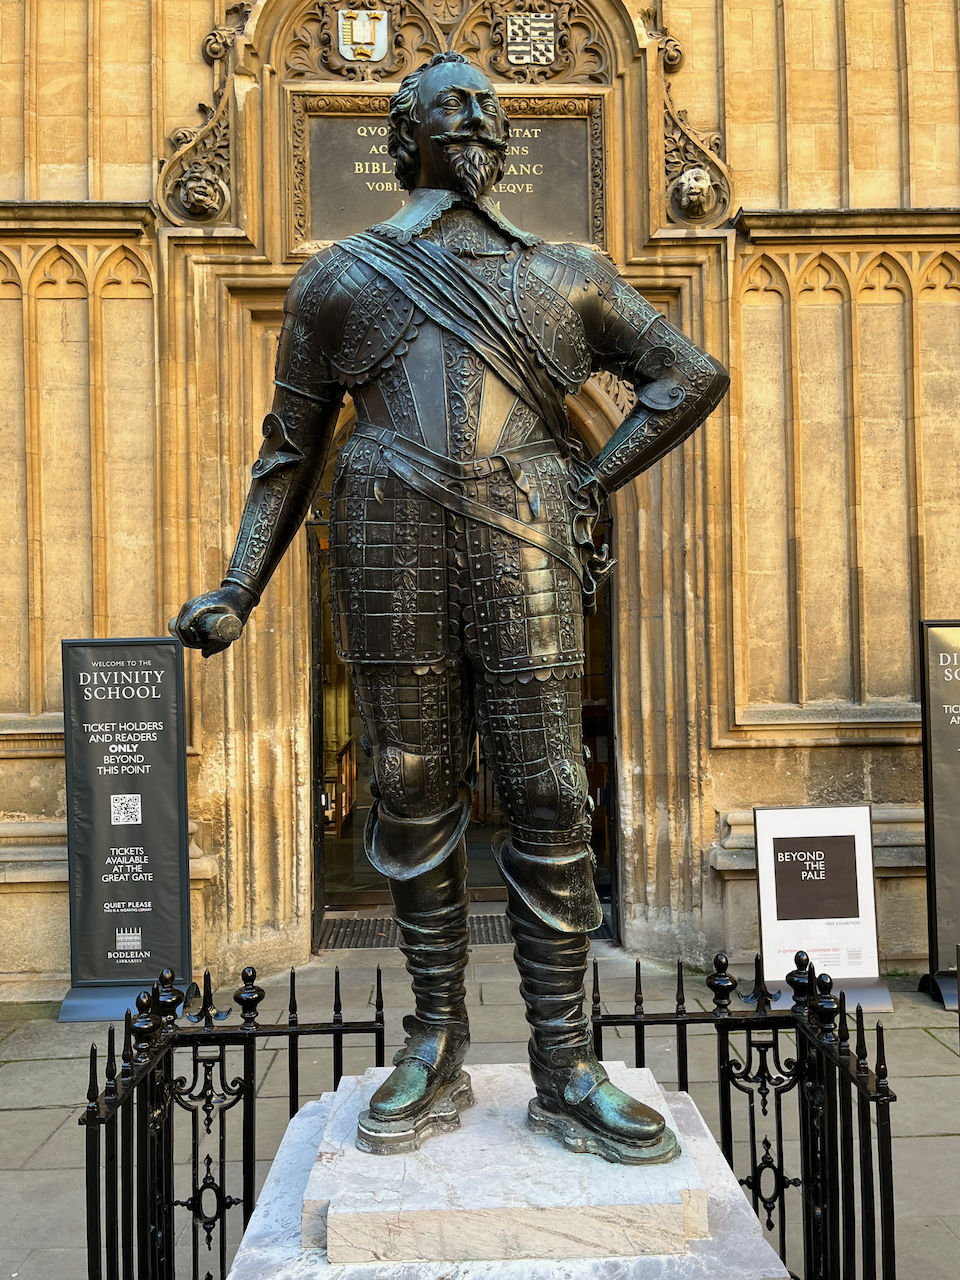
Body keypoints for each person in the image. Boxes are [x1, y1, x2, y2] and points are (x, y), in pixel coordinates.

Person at [172, 51, 728, 1164]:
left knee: (546, 789)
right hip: (385, 532)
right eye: (451, 105)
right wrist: (239, 583)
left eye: (489, 106)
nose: (476, 119)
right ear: (405, 131)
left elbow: (687, 373)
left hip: (523, 529)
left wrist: (589, 477)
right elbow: (287, 451)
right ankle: (432, 1035)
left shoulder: (567, 270)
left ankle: (567, 1061)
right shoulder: (342, 278)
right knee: (414, 784)